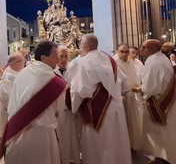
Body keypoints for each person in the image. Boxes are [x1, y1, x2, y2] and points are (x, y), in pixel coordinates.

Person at [0, 40, 67, 164]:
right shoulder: (53, 81)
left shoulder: (24, 72)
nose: (58, 60)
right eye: (56, 56)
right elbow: (61, 110)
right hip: (42, 136)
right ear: (44, 58)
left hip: (17, 131)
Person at [70, 34, 132, 164]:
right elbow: (124, 82)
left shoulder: (83, 62)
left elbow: (80, 89)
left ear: (86, 46)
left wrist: (73, 106)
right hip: (115, 107)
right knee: (116, 141)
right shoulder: (109, 59)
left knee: (99, 145)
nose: (80, 47)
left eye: (81, 45)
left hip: (97, 111)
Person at [134, 39, 176, 164]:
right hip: (165, 99)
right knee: (164, 131)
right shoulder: (161, 58)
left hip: (158, 102)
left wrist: (140, 90)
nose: (140, 49)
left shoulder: (154, 62)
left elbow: (149, 87)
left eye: (143, 47)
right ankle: (161, 156)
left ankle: (164, 157)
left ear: (151, 49)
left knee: (159, 131)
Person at [113, 44, 143, 151]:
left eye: (126, 52)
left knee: (131, 121)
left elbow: (134, 77)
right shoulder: (113, 62)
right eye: (122, 51)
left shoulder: (131, 62)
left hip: (130, 96)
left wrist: (137, 87)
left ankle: (131, 144)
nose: (124, 54)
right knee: (121, 122)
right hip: (119, 97)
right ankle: (121, 145)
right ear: (117, 51)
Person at [55, 45, 81, 164]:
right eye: (61, 56)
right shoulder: (51, 72)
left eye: (66, 56)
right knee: (59, 138)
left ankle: (73, 158)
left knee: (72, 137)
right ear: (57, 57)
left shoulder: (73, 70)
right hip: (57, 112)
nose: (64, 59)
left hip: (71, 110)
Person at [0, 53, 24, 137]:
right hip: (12, 116)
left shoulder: (18, 72)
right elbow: (8, 100)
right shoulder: (7, 79)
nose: (24, 62)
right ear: (15, 63)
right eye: (22, 60)